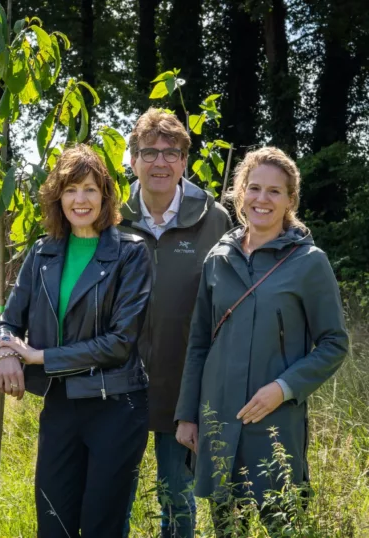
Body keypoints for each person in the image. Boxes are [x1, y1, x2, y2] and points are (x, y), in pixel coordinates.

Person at [174, 147, 349, 534]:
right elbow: (199, 342)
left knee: (282, 524)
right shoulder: (217, 259)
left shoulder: (310, 262)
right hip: (218, 420)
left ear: (290, 200)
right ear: (239, 193)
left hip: (274, 423)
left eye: (274, 191)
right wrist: (188, 414)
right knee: (227, 528)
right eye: (254, 188)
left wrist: (284, 389)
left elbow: (334, 342)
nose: (262, 199)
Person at [0, 144, 152, 537]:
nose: (80, 200)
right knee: (53, 524)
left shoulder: (132, 254)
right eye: (70, 190)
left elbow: (120, 343)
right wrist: (5, 352)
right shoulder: (42, 253)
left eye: (90, 189)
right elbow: (9, 321)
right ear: (57, 197)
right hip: (61, 404)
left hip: (116, 406)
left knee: (102, 526)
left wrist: (38, 356)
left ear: (106, 195)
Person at [118, 108, 232, 538]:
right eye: (149, 152)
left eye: (171, 153)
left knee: (178, 502)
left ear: (185, 161)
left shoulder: (214, 218)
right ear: (133, 160)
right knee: (115, 498)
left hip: (184, 385)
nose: (160, 162)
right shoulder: (111, 216)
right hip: (118, 382)